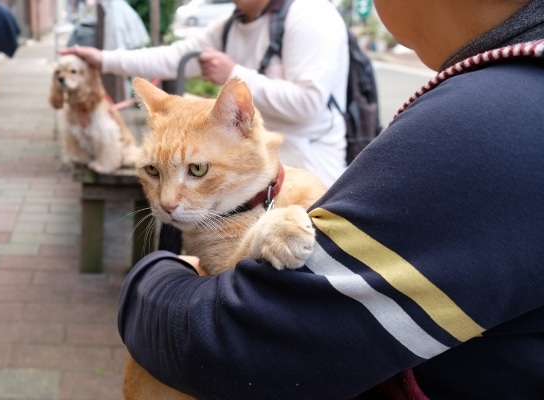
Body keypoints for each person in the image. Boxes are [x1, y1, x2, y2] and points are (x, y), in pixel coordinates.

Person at [116, 0, 544, 398]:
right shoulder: (508, 86)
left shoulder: (487, 121)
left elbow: (245, 342)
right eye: (152, 173)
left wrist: (151, 275)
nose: (166, 200)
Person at [59, 0, 348, 187]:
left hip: (306, 163)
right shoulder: (233, 23)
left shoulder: (311, 16)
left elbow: (308, 104)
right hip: (245, 160)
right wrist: (103, 59)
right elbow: (173, 57)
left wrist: (233, 73)